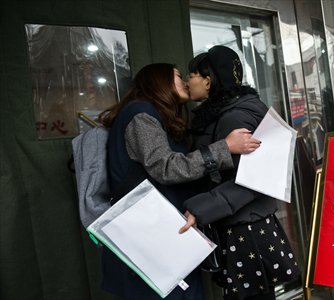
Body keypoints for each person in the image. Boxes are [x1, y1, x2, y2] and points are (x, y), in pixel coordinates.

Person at [98, 63, 261, 300]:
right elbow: (166, 167)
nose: (185, 81)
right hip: (150, 238)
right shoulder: (141, 114)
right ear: (158, 80)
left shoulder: (156, 116)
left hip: (163, 235)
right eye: (177, 76)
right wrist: (224, 147)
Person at [180, 46, 300, 300]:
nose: (187, 80)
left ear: (208, 80)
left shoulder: (233, 118)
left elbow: (254, 181)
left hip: (245, 228)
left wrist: (201, 209)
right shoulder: (229, 111)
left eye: (192, 74)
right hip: (244, 223)